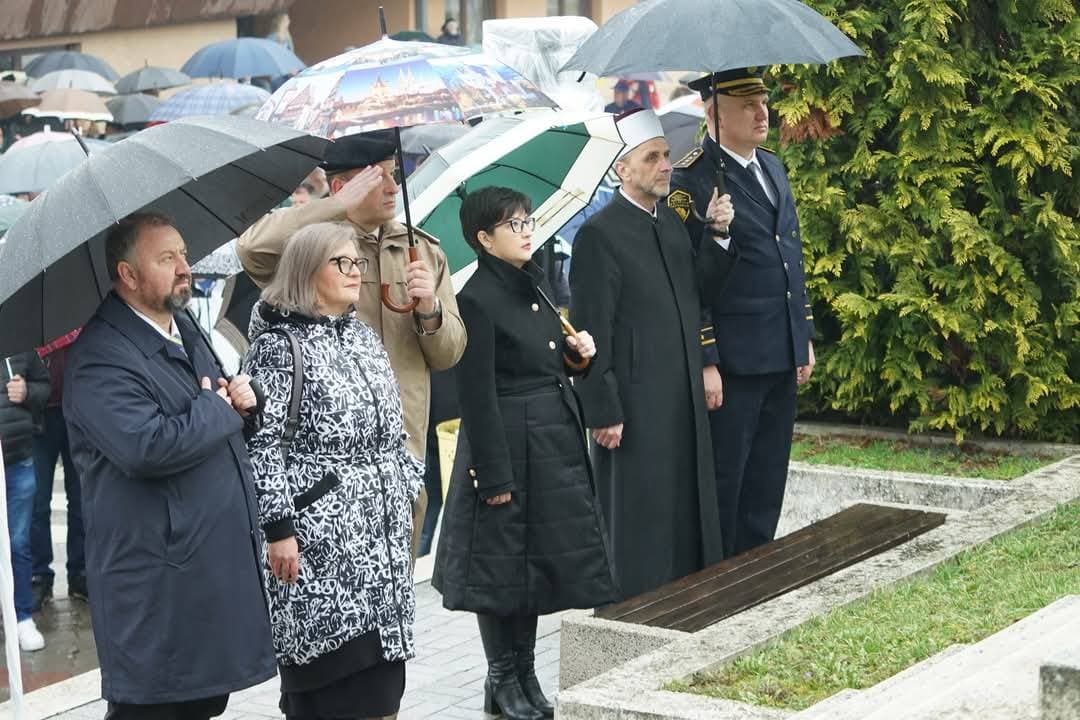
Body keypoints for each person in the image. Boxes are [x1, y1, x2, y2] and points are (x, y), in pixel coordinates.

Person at [64, 212, 276, 718]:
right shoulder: (99, 358)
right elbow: (146, 447)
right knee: (157, 708)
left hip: (203, 568)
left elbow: (219, 405)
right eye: (166, 259)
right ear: (128, 275)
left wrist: (244, 404)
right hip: (158, 579)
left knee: (202, 703)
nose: (185, 267)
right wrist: (216, 410)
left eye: (182, 252)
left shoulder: (182, 324)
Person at [236, 130, 466, 560]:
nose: (394, 187)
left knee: (396, 592)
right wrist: (333, 208)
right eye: (379, 177)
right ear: (344, 186)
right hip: (332, 474)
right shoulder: (310, 250)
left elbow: (449, 352)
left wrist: (430, 309)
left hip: (403, 455)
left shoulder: (422, 250)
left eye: (394, 175)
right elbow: (251, 248)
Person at [434, 187, 618, 720]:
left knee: (531, 567)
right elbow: (477, 395)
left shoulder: (535, 285)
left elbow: (546, 360)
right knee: (499, 570)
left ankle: (524, 673)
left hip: (550, 443)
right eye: (512, 225)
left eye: (527, 220)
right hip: (507, 446)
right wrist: (492, 474)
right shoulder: (476, 300)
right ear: (484, 238)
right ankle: (500, 676)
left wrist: (577, 359)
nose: (526, 230)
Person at [244, 222, 423, 720]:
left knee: (384, 691)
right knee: (332, 691)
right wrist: (280, 529)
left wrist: (406, 483)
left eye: (357, 263)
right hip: (323, 548)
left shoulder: (362, 335)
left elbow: (391, 428)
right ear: (306, 272)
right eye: (341, 263)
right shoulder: (279, 348)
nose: (355, 273)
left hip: (381, 548)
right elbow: (263, 447)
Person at [569, 109, 736, 599]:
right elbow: (589, 332)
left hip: (680, 396)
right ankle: (635, 613)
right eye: (654, 157)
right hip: (634, 409)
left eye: (666, 155)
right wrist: (603, 410)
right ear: (623, 168)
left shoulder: (671, 224)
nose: (667, 165)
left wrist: (718, 234)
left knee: (684, 511)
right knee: (640, 521)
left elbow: (700, 289)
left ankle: (688, 602)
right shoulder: (599, 235)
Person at [668, 69, 815, 558]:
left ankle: (758, 570)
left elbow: (789, 257)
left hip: (779, 350)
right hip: (733, 360)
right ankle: (723, 577)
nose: (762, 112)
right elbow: (689, 280)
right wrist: (707, 357)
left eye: (764, 101)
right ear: (713, 113)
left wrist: (803, 335)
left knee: (768, 476)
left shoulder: (771, 166)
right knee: (729, 479)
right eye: (748, 103)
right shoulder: (691, 179)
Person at [31, 330, 87, 611]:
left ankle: (80, 572)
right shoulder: (32, 316)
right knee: (37, 502)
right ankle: (40, 574)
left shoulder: (80, 311)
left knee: (80, 499)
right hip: (39, 416)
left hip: (78, 411)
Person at [2, 348, 50, 651]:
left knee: (18, 542)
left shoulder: (19, 338)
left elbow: (45, 387)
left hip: (18, 457)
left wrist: (28, 391)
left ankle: (21, 616)